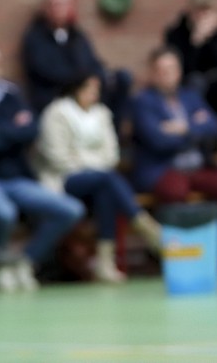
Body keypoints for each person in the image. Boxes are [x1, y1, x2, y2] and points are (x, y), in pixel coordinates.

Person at [0, 40, 83, 292]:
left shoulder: (12, 93)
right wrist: (11, 129)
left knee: (70, 210)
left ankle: (24, 261)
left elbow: (31, 130)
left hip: (18, 178)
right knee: (4, 213)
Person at [33, 74, 162, 283]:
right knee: (107, 179)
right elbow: (58, 157)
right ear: (77, 88)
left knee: (105, 191)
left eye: (97, 89)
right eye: (89, 88)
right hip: (63, 179)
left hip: (98, 179)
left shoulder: (102, 113)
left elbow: (112, 155)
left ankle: (105, 263)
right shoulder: (56, 112)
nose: (94, 93)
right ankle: (144, 225)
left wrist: (85, 160)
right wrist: (93, 162)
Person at [131, 48, 217, 226]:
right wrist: (195, 129)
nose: (166, 75)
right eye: (161, 70)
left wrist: (184, 128)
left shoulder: (190, 96)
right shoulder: (143, 101)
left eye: (171, 69)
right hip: (164, 169)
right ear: (152, 73)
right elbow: (158, 141)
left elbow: (214, 127)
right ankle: (172, 241)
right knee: (175, 193)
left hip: (198, 167)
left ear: (179, 71)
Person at [20, 0, 132, 124]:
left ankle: (114, 130)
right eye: (56, 4)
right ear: (45, 7)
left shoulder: (77, 35)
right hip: (56, 94)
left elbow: (92, 61)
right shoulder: (35, 37)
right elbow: (46, 71)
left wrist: (99, 76)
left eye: (64, 4)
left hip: (84, 89)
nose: (60, 9)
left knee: (122, 78)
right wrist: (81, 80)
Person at [163, 0, 217, 114]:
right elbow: (183, 67)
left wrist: (211, 37)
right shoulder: (176, 33)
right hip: (190, 77)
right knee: (196, 81)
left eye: (206, 12)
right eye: (198, 11)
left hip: (213, 75)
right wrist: (196, 41)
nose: (201, 17)